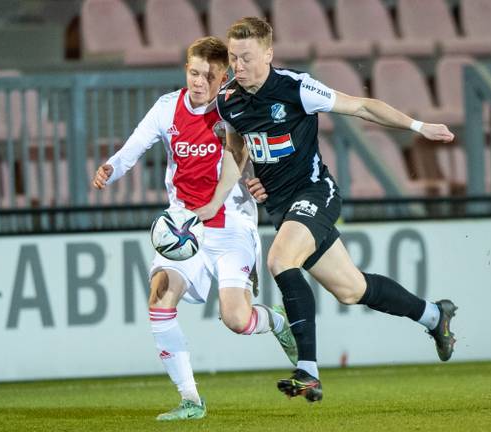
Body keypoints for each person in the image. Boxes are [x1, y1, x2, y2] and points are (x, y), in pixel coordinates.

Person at [214, 17, 458, 403]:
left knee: (280, 260)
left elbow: (361, 106)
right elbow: (238, 148)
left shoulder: (296, 87)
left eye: (245, 58)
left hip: (315, 193)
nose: (237, 66)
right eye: (232, 58)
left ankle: (308, 371)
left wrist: (417, 126)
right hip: (282, 207)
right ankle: (433, 315)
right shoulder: (228, 100)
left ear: (268, 55)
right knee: (351, 289)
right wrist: (249, 174)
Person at [90, 36, 297, 421]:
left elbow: (264, 154)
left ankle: (277, 321)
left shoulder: (237, 109)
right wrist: (111, 168)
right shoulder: (168, 108)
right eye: (193, 72)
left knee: (237, 320)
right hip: (186, 226)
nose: (198, 82)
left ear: (224, 78)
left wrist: (263, 182)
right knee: (159, 296)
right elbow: (134, 147)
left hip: (232, 224)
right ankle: (190, 399)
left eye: (208, 75)